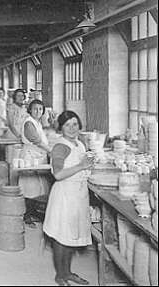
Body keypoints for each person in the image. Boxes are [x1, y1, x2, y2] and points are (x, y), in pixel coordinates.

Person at [43, 111, 94, 286]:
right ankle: (60, 275)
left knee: (72, 236)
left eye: (75, 124)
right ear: (61, 128)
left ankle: (68, 272)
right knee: (61, 237)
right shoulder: (60, 146)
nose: (72, 128)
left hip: (78, 194)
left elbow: (82, 165)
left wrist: (87, 166)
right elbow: (58, 174)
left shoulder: (79, 143)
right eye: (67, 125)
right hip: (65, 195)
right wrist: (82, 166)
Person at [18, 99, 53, 199]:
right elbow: (36, 140)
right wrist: (50, 150)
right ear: (30, 110)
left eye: (40, 109)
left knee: (39, 186)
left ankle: (34, 209)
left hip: (37, 155)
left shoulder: (37, 122)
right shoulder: (29, 123)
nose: (38, 111)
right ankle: (29, 211)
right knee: (30, 185)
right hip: (30, 156)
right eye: (35, 109)